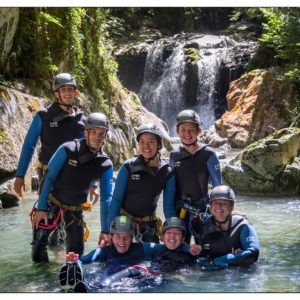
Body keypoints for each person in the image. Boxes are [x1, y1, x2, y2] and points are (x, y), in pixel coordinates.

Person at [31, 112, 113, 263]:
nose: (97, 137)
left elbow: (106, 199)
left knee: (76, 257)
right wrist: (41, 208)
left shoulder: (105, 163)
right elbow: (48, 178)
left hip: (74, 212)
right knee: (39, 246)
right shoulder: (68, 149)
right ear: (86, 132)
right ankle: (41, 283)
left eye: (102, 133)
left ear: (106, 135)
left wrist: (105, 230)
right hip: (51, 204)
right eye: (93, 132)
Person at [59, 216, 200, 292]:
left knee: (138, 270)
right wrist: (74, 261)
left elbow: (170, 246)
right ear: (111, 238)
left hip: (128, 281)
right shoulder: (104, 251)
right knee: (95, 275)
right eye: (118, 236)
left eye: (126, 237)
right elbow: (85, 259)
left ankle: (92, 290)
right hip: (108, 276)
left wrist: (190, 249)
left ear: (132, 238)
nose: (122, 241)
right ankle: (78, 286)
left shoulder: (142, 248)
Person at [14, 73, 87, 196]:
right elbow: (29, 145)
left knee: (73, 213)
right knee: (47, 212)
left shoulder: (82, 120)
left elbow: (87, 152)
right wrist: (20, 175)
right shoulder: (44, 115)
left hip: (73, 176)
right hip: (49, 175)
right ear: (56, 93)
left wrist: (92, 183)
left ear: (76, 93)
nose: (67, 93)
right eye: (63, 89)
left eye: (70, 89)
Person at [107, 123, 173, 244]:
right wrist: (108, 231)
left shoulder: (167, 171)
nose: (145, 146)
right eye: (142, 142)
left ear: (159, 144)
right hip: (124, 223)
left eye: (151, 142)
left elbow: (168, 207)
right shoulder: (128, 167)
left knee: (153, 261)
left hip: (149, 225)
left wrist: (173, 229)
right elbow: (116, 200)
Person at [163, 109, 222, 244]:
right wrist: (170, 216)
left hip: (202, 211)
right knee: (181, 251)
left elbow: (218, 186)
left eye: (191, 130)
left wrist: (220, 212)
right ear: (177, 131)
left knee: (204, 249)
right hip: (180, 210)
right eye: (183, 130)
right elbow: (170, 188)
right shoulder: (174, 155)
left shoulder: (208, 154)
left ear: (199, 131)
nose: (187, 134)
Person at [196, 185, 260, 270]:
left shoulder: (242, 225)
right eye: (215, 203)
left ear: (231, 207)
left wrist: (228, 259)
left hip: (243, 272)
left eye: (224, 203)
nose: (218, 206)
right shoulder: (205, 229)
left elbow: (253, 253)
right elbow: (202, 257)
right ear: (211, 206)